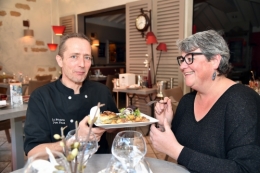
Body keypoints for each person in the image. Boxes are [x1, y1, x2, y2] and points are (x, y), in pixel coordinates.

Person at [150, 30, 260, 173]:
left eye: (190, 58)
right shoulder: (187, 101)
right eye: (182, 59)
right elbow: (178, 143)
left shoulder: (242, 102)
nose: (182, 66)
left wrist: (177, 151)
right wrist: (165, 124)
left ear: (214, 60)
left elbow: (245, 169)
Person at [24, 33, 118, 157]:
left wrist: (108, 126)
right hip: (60, 167)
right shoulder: (41, 97)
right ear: (60, 60)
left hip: (100, 166)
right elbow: (33, 152)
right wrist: (74, 140)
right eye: (74, 56)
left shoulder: (102, 91)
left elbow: (115, 127)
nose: (82, 64)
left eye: (87, 57)